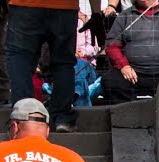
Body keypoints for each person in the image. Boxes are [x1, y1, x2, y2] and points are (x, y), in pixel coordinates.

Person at [7, 0, 101, 131]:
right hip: (65, 7)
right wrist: (96, 12)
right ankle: (62, 118)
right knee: (64, 63)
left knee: (20, 58)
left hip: (25, 5)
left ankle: (24, 116)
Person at [100, 0, 159, 104]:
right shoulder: (125, 16)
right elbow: (112, 46)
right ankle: (126, 118)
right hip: (135, 73)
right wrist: (123, 66)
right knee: (111, 81)